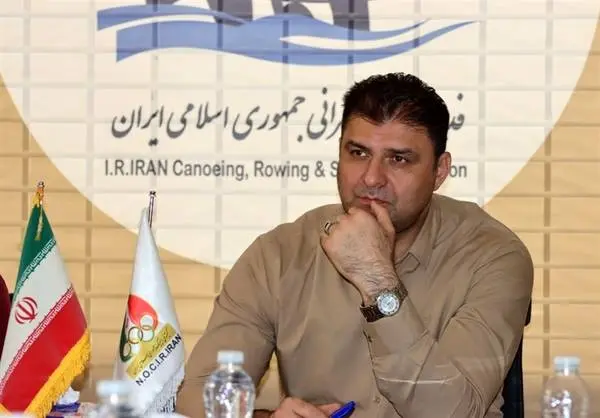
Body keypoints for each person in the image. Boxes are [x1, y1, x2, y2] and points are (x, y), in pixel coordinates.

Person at [175, 72, 534, 417]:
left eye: (398, 159)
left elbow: (453, 413)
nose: (372, 178)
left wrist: (377, 282)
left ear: (439, 171)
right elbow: (197, 399)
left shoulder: (493, 257)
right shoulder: (280, 254)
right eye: (358, 153)